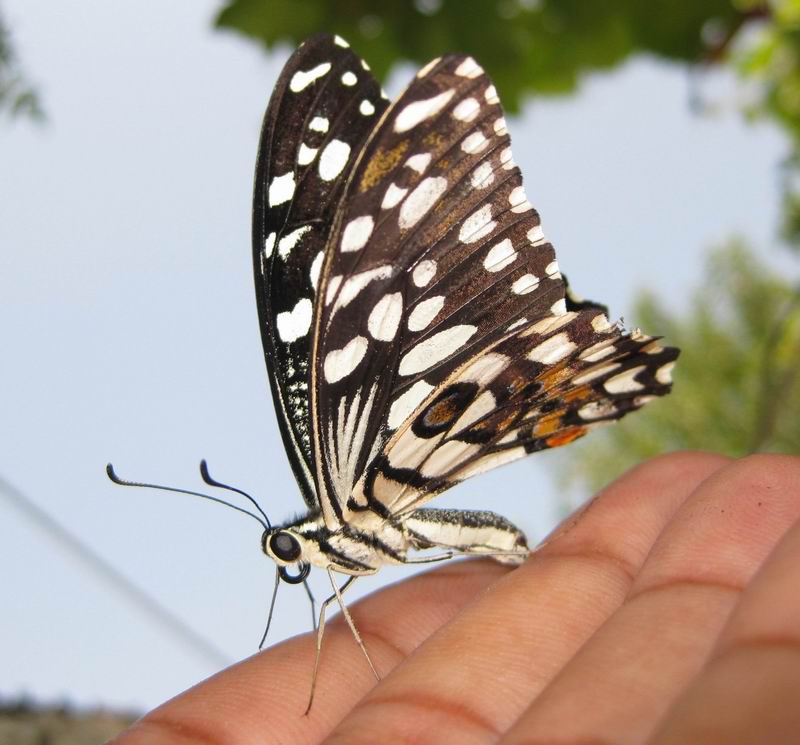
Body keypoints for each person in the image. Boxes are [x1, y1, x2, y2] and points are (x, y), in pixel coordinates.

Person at [112, 452, 800, 744]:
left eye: (287, 549)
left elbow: (330, 600)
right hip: (421, 530)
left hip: (446, 525)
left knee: (330, 608)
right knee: (330, 604)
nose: (289, 559)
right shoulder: (331, 543)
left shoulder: (340, 514)